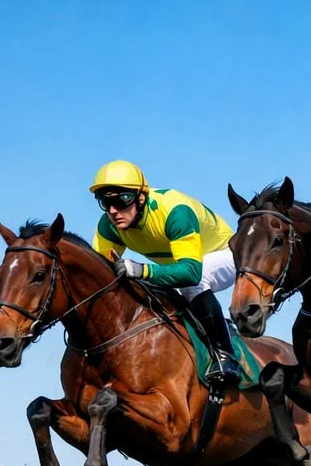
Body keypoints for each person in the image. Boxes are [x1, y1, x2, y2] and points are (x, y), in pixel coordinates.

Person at [88, 160, 239, 386]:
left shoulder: (174, 212)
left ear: (141, 196)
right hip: (181, 263)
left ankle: (226, 356)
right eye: (105, 202)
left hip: (224, 253)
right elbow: (98, 276)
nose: (113, 210)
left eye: (121, 200)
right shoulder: (108, 225)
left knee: (192, 285)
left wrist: (142, 270)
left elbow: (191, 272)